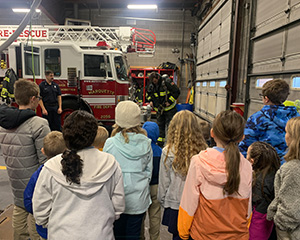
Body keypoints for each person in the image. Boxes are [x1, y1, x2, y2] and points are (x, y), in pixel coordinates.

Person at [32, 110, 125, 239]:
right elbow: (118, 205)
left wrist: (56, 225)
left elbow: (40, 211)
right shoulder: (111, 163)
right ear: (93, 135)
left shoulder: (51, 167)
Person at [178, 110, 252, 240]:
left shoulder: (199, 162)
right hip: (238, 235)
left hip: (204, 235)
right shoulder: (246, 165)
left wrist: (183, 232)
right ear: (242, 137)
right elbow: (248, 207)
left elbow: (189, 202)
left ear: (212, 133)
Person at [0, 79, 50, 240]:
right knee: (37, 225)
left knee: (19, 216)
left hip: (15, 181)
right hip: (36, 186)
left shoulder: (3, 124)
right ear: (32, 99)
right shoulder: (39, 124)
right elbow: (45, 161)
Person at [103, 100, 152, 240]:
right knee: (134, 235)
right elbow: (148, 172)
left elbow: (107, 172)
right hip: (138, 200)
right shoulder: (146, 143)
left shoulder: (110, 143)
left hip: (116, 200)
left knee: (117, 234)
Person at [158, 110, 207, 240]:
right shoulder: (203, 151)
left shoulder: (168, 151)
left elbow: (164, 182)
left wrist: (163, 200)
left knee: (177, 236)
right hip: (197, 204)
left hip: (175, 204)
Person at [239, 79, 299, 164]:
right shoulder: (296, 117)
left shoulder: (256, 119)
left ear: (266, 99)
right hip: (290, 166)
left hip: (264, 169)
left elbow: (246, 147)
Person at [24, 131, 66, 240]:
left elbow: (28, 200)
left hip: (45, 228)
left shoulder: (39, 174)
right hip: (66, 227)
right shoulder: (73, 171)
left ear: (43, 151)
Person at [267, 116, 300, 239]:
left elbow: (290, 207)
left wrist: (280, 223)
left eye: (287, 132)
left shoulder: (292, 169)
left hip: (290, 233)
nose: (285, 136)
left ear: (294, 138)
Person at [247, 141, 280, 240]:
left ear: (252, 161)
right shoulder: (276, 176)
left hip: (255, 226)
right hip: (271, 227)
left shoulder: (256, 183)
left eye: (247, 155)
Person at [141, 121, 163, 240]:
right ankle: (155, 237)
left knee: (141, 215)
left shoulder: (142, 149)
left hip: (143, 186)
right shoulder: (160, 151)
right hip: (156, 186)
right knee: (155, 215)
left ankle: (141, 237)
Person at [146, 72, 180, 147]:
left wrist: (170, 101)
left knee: (171, 127)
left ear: (158, 78)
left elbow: (177, 92)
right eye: (152, 82)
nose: (154, 83)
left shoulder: (166, 82)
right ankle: (160, 144)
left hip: (169, 109)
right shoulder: (152, 85)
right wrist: (150, 101)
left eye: (155, 81)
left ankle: (172, 145)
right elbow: (148, 95)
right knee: (160, 127)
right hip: (159, 110)